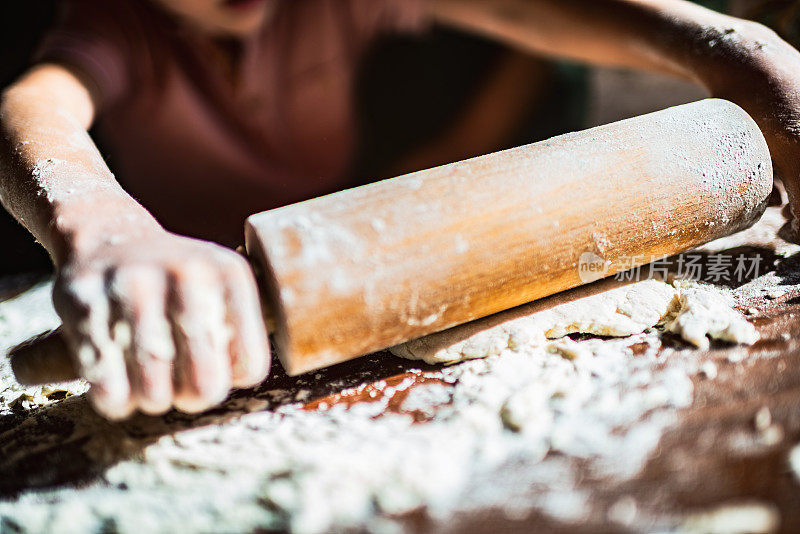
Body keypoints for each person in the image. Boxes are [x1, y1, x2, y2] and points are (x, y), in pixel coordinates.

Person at [1, 0, 799, 419]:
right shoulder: (118, 25)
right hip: (167, 285)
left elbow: (529, 7)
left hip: (348, 259)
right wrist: (105, 229)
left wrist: (729, 46)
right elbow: (33, 107)